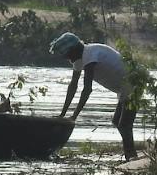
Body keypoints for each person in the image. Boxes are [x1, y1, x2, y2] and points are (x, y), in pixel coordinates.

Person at [50, 32, 137, 160]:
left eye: (67, 55)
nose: (68, 59)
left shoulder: (90, 55)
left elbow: (87, 89)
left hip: (133, 82)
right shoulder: (80, 60)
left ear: (74, 50)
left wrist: (74, 116)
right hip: (124, 87)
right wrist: (62, 114)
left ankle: (131, 156)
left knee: (124, 124)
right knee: (117, 122)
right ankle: (130, 154)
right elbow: (73, 86)